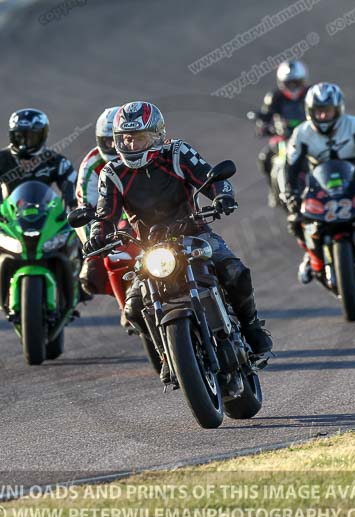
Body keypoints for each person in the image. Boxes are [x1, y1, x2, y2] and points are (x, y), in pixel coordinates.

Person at [84, 101, 273, 383]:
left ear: (157, 135)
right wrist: (97, 236)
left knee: (234, 271)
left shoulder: (177, 153)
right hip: (149, 248)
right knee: (133, 308)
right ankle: (166, 354)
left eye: (139, 137)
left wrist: (222, 195)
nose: (131, 144)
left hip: (194, 233)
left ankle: (251, 326)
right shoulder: (112, 173)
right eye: (125, 138)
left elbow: (212, 180)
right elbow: (104, 214)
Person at [0, 108, 78, 296]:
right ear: (11, 136)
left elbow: (73, 186)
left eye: (30, 137)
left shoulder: (56, 161)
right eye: (19, 137)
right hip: (9, 218)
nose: (24, 142)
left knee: (85, 242)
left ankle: (77, 281)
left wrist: (73, 209)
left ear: (42, 136)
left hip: (46, 216)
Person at [282, 82, 355, 283]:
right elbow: (291, 168)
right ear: (309, 111)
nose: (323, 116)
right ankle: (310, 255)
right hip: (319, 185)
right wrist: (291, 193)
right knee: (295, 219)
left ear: (338, 110)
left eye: (328, 111)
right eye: (318, 111)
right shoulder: (302, 133)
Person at [75, 106, 121, 297]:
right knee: (92, 274)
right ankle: (125, 308)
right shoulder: (92, 164)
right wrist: (95, 245)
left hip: (152, 220)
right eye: (108, 141)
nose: (114, 147)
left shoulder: (148, 154)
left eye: (119, 140)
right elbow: (87, 206)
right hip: (111, 223)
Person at [255, 60, 309, 206]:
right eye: (289, 83)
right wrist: (263, 126)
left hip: (309, 136)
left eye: (296, 82)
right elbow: (265, 117)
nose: (292, 86)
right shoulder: (274, 97)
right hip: (282, 138)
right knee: (264, 158)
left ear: (302, 81)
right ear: (281, 82)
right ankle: (274, 192)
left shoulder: (311, 94)